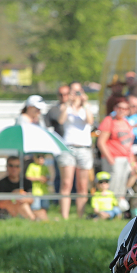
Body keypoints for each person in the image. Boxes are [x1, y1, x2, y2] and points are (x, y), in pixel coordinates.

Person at [56, 81, 95, 219]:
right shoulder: (65, 107)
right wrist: (68, 103)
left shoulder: (86, 107)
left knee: (82, 184)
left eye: (78, 91)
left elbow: (90, 121)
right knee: (66, 182)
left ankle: (80, 215)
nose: (76, 94)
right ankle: (64, 216)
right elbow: (60, 121)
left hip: (84, 148)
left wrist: (84, 103)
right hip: (68, 147)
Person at [97, 99, 134, 201]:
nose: (122, 110)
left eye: (125, 108)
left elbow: (128, 143)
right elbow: (101, 142)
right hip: (114, 157)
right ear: (115, 108)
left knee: (122, 185)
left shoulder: (126, 122)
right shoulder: (109, 120)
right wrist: (110, 159)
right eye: (119, 108)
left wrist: (131, 159)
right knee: (113, 184)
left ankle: (118, 209)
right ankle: (110, 207)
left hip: (125, 158)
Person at [0, 156, 36, 220]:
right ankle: (32, 220)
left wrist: (22, 196)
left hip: (23, 210)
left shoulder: (26, 182)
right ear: (7, 167)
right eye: (11, 166)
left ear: (20, 168)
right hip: (6, 212)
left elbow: (31, 200)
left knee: (42, 213)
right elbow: (0, 204)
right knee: (22, 205)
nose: (14, 168)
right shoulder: (1, 183)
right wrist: (13, 196)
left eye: (17, 166)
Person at [25, 153, 51, 221]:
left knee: (45, 206)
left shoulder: (45, 167)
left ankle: (44, 218)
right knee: (35, 207)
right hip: (35, 191)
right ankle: (35, 219)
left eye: (42, 157)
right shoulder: (32, 166)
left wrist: (46, 179)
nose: (41, 159)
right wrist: (39, 178)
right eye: (39, 157)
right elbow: (28, 176)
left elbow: (48, 176)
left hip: (44, 191)